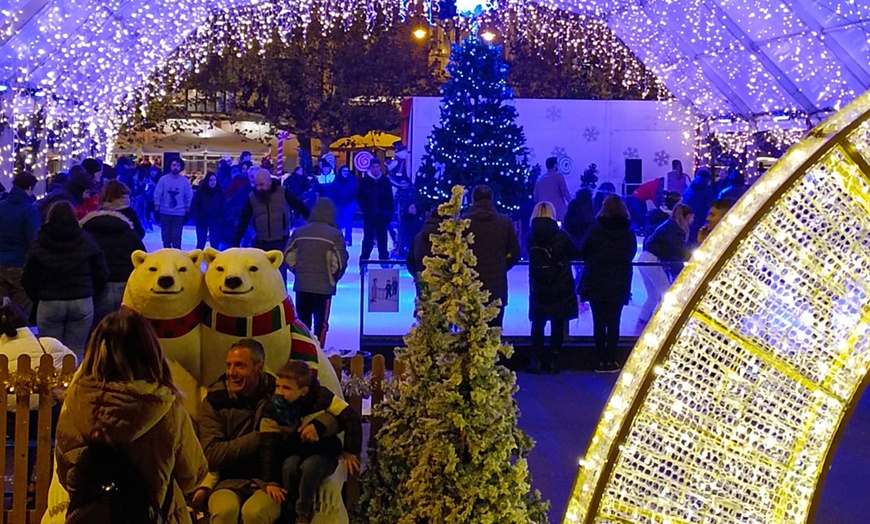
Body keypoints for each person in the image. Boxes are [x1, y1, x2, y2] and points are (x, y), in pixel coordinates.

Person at [56, 309, 207, 524]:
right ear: (149, 352)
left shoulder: (74, 403)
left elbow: (66, 474)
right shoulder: (165, 407)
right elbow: (192, 474)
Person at [258, 360, 362, 524]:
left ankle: (302, 514)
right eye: (278, 386)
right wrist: (270, 480)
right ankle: (288, 510)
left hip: (324, 451)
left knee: (310, 467)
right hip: (296, 451)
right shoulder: (273, 408)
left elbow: (350, 416)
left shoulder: (322, 397)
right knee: (289, 467)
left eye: (286, 388)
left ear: (303, 390)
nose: (279, 392)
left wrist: (351, 450)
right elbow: (268, 444)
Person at [196, 339, 282, 524]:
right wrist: (262, 437)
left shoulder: (279, 395)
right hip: (228, 482)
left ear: (258, 368)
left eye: (240, 366)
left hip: (268, 483)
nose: (231, 373)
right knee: (224, 511)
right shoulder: (216, 401)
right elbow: (212, 455)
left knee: (254, 513)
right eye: (229, 366)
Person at [23, 201, 108, 358]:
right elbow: (101, 272)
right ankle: (75, 381)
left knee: (50, 354)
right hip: (81, 299)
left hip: (49, 301)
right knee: (77, 351)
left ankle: (52, 382)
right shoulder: (87, 240)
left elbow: (28, 277)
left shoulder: (39, 242)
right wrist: (91, 293)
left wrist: (38, 297)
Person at [578, 195, 637, 373]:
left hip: (597, 280)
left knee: (599, 321)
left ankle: (599, 359)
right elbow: (630, 255)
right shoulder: (628, 233)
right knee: (614, 322)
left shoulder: (595, 230)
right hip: (619, 281)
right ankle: (611, 359)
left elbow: (584, 252)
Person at [284, 198, 349, 347]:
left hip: (302, 285)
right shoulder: (335, 235)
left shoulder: (299, 233)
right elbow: (340, 261)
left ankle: (303, 350)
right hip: (324, 287)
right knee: (321, 324)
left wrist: (299, 271)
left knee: (302, 321)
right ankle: (319, 352)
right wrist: (333, 278)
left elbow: (288, 255)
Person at [80, 181, 146, 323]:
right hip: (124, 279)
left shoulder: (91, 224)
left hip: (101, 282)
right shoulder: (129, 222)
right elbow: (141, 248)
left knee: (101, 325)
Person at [526, 202, 580, 374]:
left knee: (538, 323)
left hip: (538, 285)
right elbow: (575, 253)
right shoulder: (561, 235)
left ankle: (537, 359)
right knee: (558, 322)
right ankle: (554, 359)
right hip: (560, 284)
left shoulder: (531, 235)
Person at [234, 169, 309, 281]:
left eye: (261, 184)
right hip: (261, 242)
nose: (258, 188)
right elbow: (243, 219)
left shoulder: (283, 192)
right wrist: (236, 240)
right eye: (256, 185)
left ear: (269, 181)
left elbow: (299, 206)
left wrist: (312, 220)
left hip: (280, 241)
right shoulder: (252, 197)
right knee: (261, 276)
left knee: (279, 275)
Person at [463, 185, 521, 328]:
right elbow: (515, 252)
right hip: (496, 286)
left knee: (470, 333)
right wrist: (501, 265)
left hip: (470, 286)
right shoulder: (504, 222)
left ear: (473, 200)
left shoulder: (464, 223)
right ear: (492, 199)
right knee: (494, 333)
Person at [637, 204, 695, 326]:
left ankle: (643, 319)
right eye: (691, 218)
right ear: (687, 217)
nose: (692, 221)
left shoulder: (669, 225)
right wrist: (691, 259)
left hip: (645, 259)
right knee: (665, 293)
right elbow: (678, 250)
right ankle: (665, 322)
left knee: (653, 294)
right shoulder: (675, 230)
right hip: (653, 261)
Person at [0, 172, 40, 317]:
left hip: (0, 262)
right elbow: (34, 238)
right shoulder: (29, 209)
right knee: (20, 310)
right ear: (29, 188)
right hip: (19, 263)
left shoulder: (1, 206)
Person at [358, 157, 394, 264]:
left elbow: (389, 199)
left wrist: (389, 214)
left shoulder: (385, 182)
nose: (375, 169)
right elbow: (360, 197)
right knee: (367, 240)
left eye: (377, 167)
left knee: (383, 240)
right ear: (370, 168)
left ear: (380, 167)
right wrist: (364, 209)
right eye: (373, 167)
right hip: (369, 216)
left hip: (382, 216)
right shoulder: (365, 182)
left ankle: (384, 261)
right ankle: (364, 262)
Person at [154, 158, 193, 249]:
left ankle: (177, 257)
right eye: (174, 165)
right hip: (165, 212)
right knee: (166, 238)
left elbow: (188, 196)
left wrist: (187, 210)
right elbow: (157, 194)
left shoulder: (184, 181)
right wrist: (156, 208)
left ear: (181, 167)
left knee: (177, 239)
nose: (175, 167)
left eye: (178, 165)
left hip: (179, 213)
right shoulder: (163, 180)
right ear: (170, 166)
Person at [191, 172, 225, 250]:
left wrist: (222, 218)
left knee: (215, 244)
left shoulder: (220, 193)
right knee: (200, 243)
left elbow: (224, 207)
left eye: (214, 180)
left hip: (215, 221)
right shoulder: (200, 193)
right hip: (202, 220)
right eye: (210, 180)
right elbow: (194, 206)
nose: (213, 182)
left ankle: (214, 260)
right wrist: (197, 218)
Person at [682, 168, 717, 245]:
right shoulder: (708, 191)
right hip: (701, 223)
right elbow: (711, 207)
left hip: (687, 221)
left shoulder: (689, 189)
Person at [534, 157, 572, 222]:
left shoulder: (539, 180)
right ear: (555, 165)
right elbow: (565, 192)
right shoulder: (558, 176)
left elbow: (536, 197)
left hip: (544, 212)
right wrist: (572, 204)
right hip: (558, 211)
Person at [331, 165, 357, 245]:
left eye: (347, 171)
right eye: (344, 171)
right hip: (338, 202)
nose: (345, 173)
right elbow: (333, 191)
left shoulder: (352, 180)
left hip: (350, 202)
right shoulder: (336, 180)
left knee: (348, 221)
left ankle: (348, 240)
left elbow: (355, 190)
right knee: (338, 221)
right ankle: (338, 239)